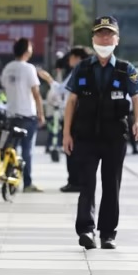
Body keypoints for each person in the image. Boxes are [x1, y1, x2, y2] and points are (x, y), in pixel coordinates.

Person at [63, 16, 138, 250]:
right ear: (93, 38)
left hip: (114, 138)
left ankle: (108, 234)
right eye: (100, 34)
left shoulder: (125, 69)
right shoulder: (83, 68)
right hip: (86, 136)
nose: (105, 38)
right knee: (86, 184)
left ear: (117, 40)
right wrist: (66, 134)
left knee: (111, 186)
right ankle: (86, 230)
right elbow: (71, 102)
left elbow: (137, 99)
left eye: (109, 34)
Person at [38, 46, 91, 192]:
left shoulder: (78, 71)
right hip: (82, 116)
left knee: (71, 149)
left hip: (74, 116)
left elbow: (62, 89)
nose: (69, 60)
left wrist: (49, 79)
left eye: (71, 57)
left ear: (78, 58)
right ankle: (77, 180)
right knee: (76, 150)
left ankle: (75, 181)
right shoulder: (88, 71)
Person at [0, 38, 46, 193]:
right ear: (27, 50)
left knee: (11, 149)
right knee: (27, 150)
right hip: (27, 115)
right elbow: (36, 94)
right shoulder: (29, 68)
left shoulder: (7, 68)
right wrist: (41, 113)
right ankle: (27, 183)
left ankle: (9, 179)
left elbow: (5, 89)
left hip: (11, 114)